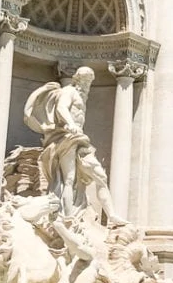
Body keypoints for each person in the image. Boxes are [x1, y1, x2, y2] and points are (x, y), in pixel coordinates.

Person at [23, 67, 120, 225]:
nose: (87, 84)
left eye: (90, 81)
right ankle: (69, 218)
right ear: (77, 79)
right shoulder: (69, 91)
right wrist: (70, 124)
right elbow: (62, 108)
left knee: (101, 176)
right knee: (69, 178)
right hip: (67, 137)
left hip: (80, 139)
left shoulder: (82, 96)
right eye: (85, 80)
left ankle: (112, 216)